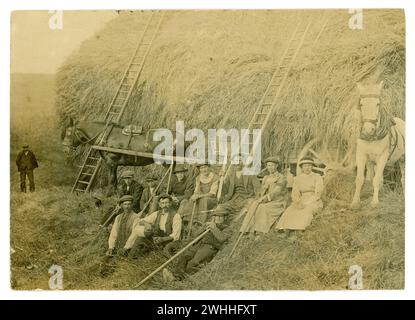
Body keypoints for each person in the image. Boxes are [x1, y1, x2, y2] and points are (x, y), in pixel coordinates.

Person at [163, 207, 232, 281]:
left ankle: (179, 278)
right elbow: (195, 235)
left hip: (210, 247)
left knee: (194, 262)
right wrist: (203, 228)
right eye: (215, 216)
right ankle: (176, 275)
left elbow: (222, 238)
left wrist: (214, 228)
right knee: (184, 256)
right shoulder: (209, 225)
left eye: (220, 216)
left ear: (225, 218)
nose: (217, 218)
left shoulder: (227, 228)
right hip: (199, 244)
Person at [239, 156, 287, 238]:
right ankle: (247, 230)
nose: (270, 167)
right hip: (266, 199)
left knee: (262, 208)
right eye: (268, 165)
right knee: (254, 205)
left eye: (272, 165)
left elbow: (277, 191)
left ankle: (259, 231)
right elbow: (262, 190)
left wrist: (266, 198)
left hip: (277, 201)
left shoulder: (281, 177)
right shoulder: (266, 178)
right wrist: (259, 196)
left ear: (276, 166)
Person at [276, 157, 323, 233]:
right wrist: (298, 202)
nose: (307, 168)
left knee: (306, 210)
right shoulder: (298, 178)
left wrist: (307, 203)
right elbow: (295, 193)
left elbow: (318, 193)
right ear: (302, 168)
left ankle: (299, 230)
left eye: (309, 165)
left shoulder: (317, 177)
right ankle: (286, 229)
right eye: (305, 166)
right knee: (291, 209)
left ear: (312, 166)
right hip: (302, 199)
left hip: (314, 200)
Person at [216, 154, 260, 220]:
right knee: (220, 207)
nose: (238, 163)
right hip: (234, 199)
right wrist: (220, 179)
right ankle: (218, 226)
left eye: (240, 160)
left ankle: (235, 223)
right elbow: (224, 189)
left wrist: (257, 198)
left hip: (247, 198)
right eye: (236, 161)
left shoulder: (250, 173)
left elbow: (258, 188)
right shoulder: (231, 175)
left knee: (248, 206)